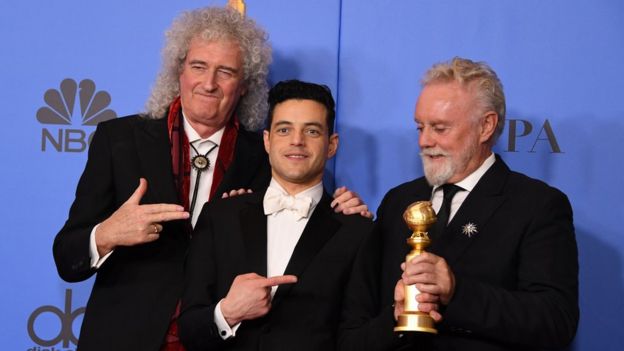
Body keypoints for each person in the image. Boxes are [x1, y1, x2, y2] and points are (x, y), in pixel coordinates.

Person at [53, 7, 368, 351]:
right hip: (125, 338)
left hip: (222, 340)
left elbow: (303, 213)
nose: (209, 83)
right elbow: (67, 257)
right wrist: (108, 234)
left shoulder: (269, 154)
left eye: (226, 72)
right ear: (179, 70)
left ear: (245, 84)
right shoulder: (119, 141)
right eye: (198, 66)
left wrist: (341, 206)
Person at [339, 57, 579, 351]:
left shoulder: (536, 205)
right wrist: (395, 317)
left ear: (486, 126)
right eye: (420, 127)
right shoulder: (397, 202)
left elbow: (555, 321)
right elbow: (353, 333)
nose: (425, 141)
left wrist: (456, 291)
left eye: (440, 128)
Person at [178, 80, 374, 351]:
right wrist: (228, 312)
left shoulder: (357, 232)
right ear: (267, 141)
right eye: (284, 129)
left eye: (312, 131)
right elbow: (188, 328)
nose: (297, 140)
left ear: (332, 145)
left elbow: (356, 336)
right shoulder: (220, 215)